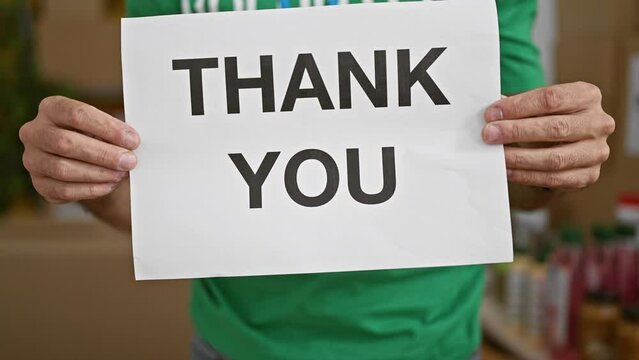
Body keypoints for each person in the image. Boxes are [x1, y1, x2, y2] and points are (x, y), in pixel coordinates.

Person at [18, 0, 615, 359]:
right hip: (236, 345)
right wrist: (81, 170)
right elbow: (162, 197)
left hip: (428, 344)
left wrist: (562, 154)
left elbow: (517, 176)